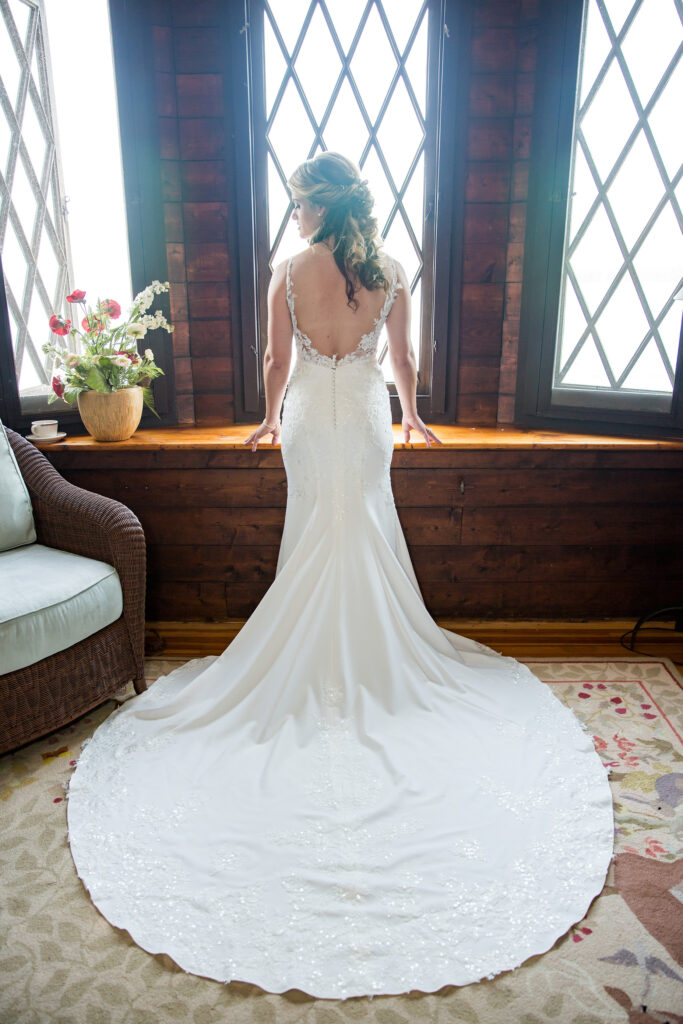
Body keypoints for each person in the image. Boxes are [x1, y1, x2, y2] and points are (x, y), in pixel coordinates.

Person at [66, 152, 614, 1001]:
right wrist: (417, 419)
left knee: (316, 536)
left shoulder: (288, 271)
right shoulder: (390, 269)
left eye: (295, 203)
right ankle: (365, 664)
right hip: (362, 425)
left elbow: (277, 363)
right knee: (354, 532)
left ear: (317, 206)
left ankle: (317, 665)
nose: (290, 217)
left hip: (305, 430)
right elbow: (403, 359)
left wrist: (260, 419)